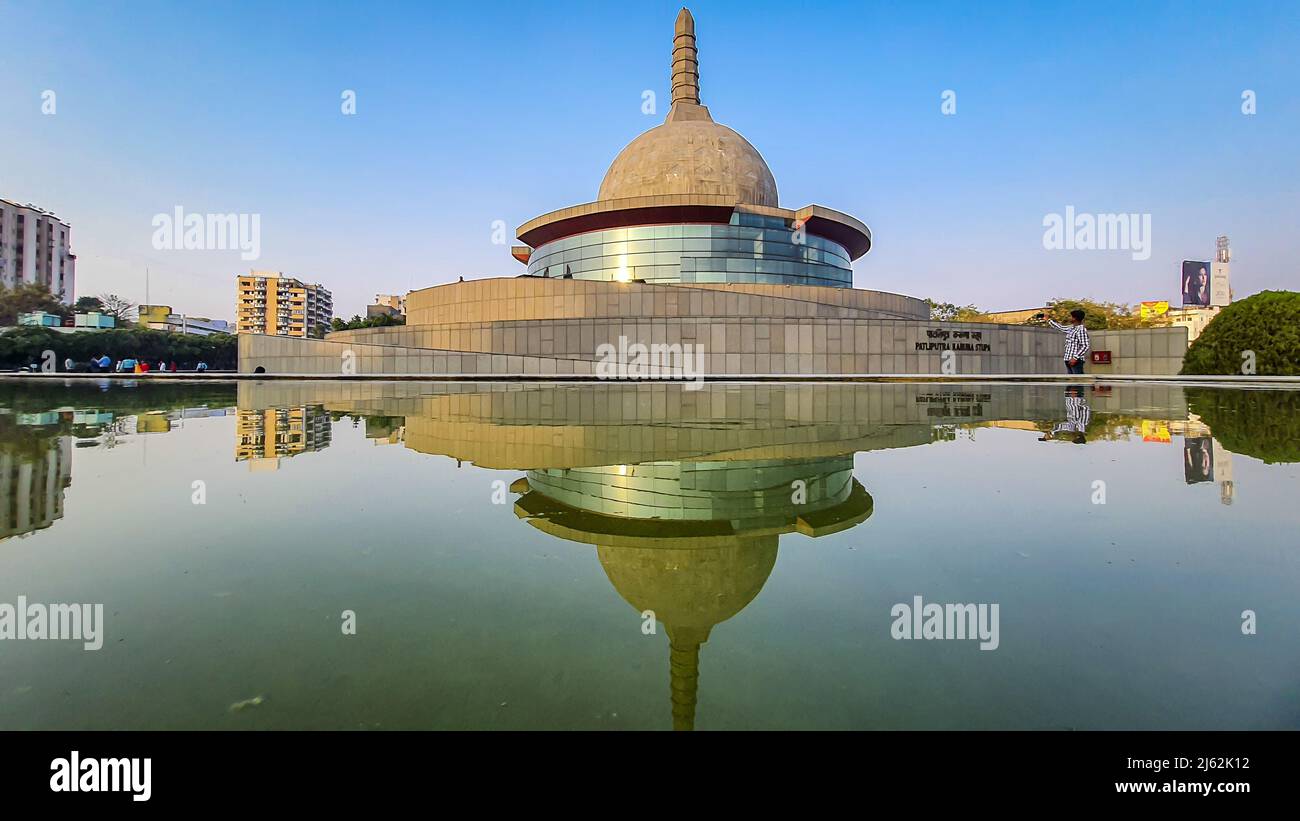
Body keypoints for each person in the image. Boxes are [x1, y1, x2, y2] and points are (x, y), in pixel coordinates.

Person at [1046, 309, 1090, 374]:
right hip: (1068, 359)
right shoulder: (1071, 328)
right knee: (1071, 381)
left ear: (1074, 318)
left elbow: (1085, 345)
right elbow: (1060, 327)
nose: (1069, 318)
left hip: (1076, 361)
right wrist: (1048, 320)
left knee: (1077, 381)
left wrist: (1075, 358)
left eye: (1071, 316)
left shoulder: (1081, 330)